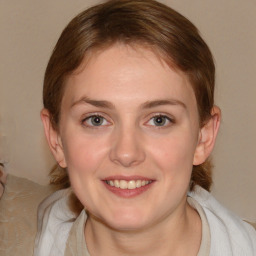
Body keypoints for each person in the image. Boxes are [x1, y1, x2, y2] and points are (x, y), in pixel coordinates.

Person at [35, 0, 256, 255]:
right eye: (96, 120)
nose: (127, 153)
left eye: (159, 120)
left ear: (203, 137)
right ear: (56, 138)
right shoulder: (45, 225)